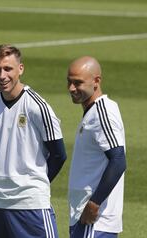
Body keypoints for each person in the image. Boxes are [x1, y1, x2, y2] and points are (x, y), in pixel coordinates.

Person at [0, 44, 67, 238]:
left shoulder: (37, 107)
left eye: (7, 69)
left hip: (30, 203)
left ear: (20, 69)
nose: (2, 75)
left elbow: (59, 155)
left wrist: (33, 182)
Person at [67, 56, 126, 238]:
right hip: (85, 218)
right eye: (69, 82)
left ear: (96, 81)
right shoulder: (93, 112)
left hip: (95, 221)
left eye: (78, 83)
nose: (71, 88)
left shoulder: (102, 113)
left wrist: (94, 204)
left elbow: (118, 160)